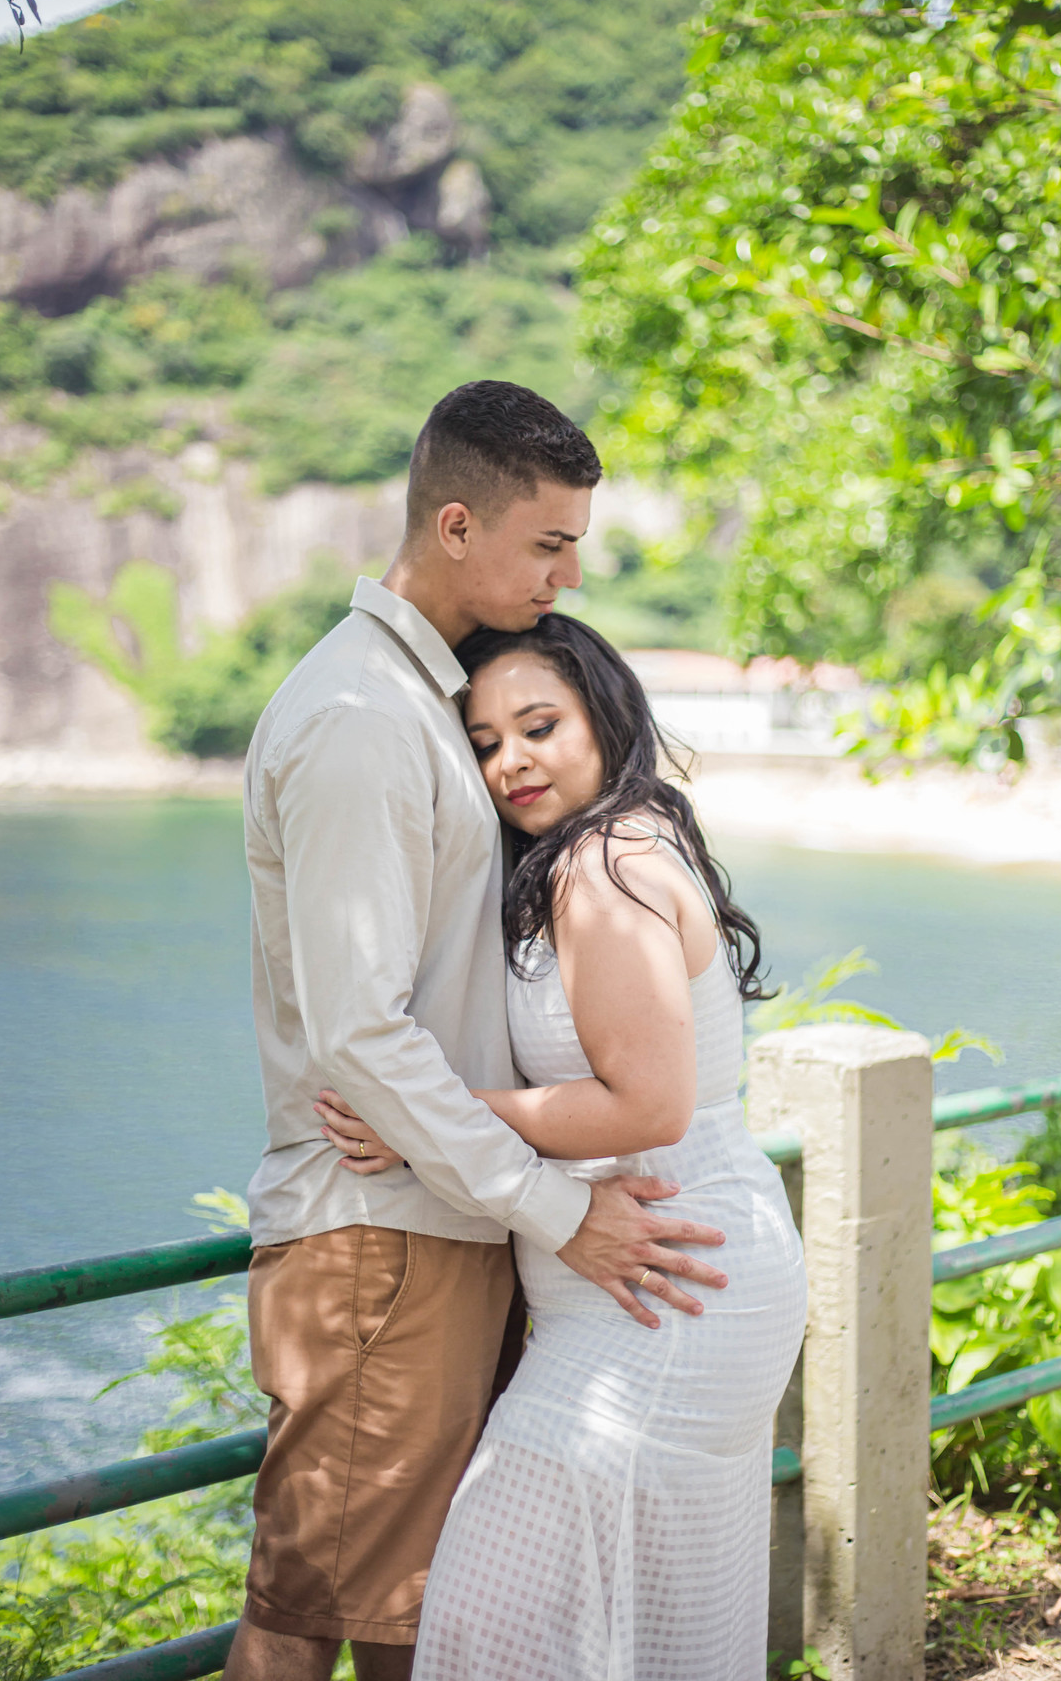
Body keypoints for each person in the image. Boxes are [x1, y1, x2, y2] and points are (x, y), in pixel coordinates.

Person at [225, 381, 730, 1681]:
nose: (572, 574)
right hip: (380, 1235)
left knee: (423, 1617)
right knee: (309, 1616)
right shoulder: (360, 721)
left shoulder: (432, 707)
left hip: (439, 1224)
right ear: (457, 526)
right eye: (550, 542)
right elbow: (361, 1035)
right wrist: (556, 1209)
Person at [315, 611, 808, 1680]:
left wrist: (428, 1116)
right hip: (663, 1280)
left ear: (605, 717)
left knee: (486, 1625)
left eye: (539, 727)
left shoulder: (603, 864)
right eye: (486, 743)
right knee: (638, 1632)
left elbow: (650, 1106)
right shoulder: (601, 851)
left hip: (671, 1292)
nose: (512, 763)